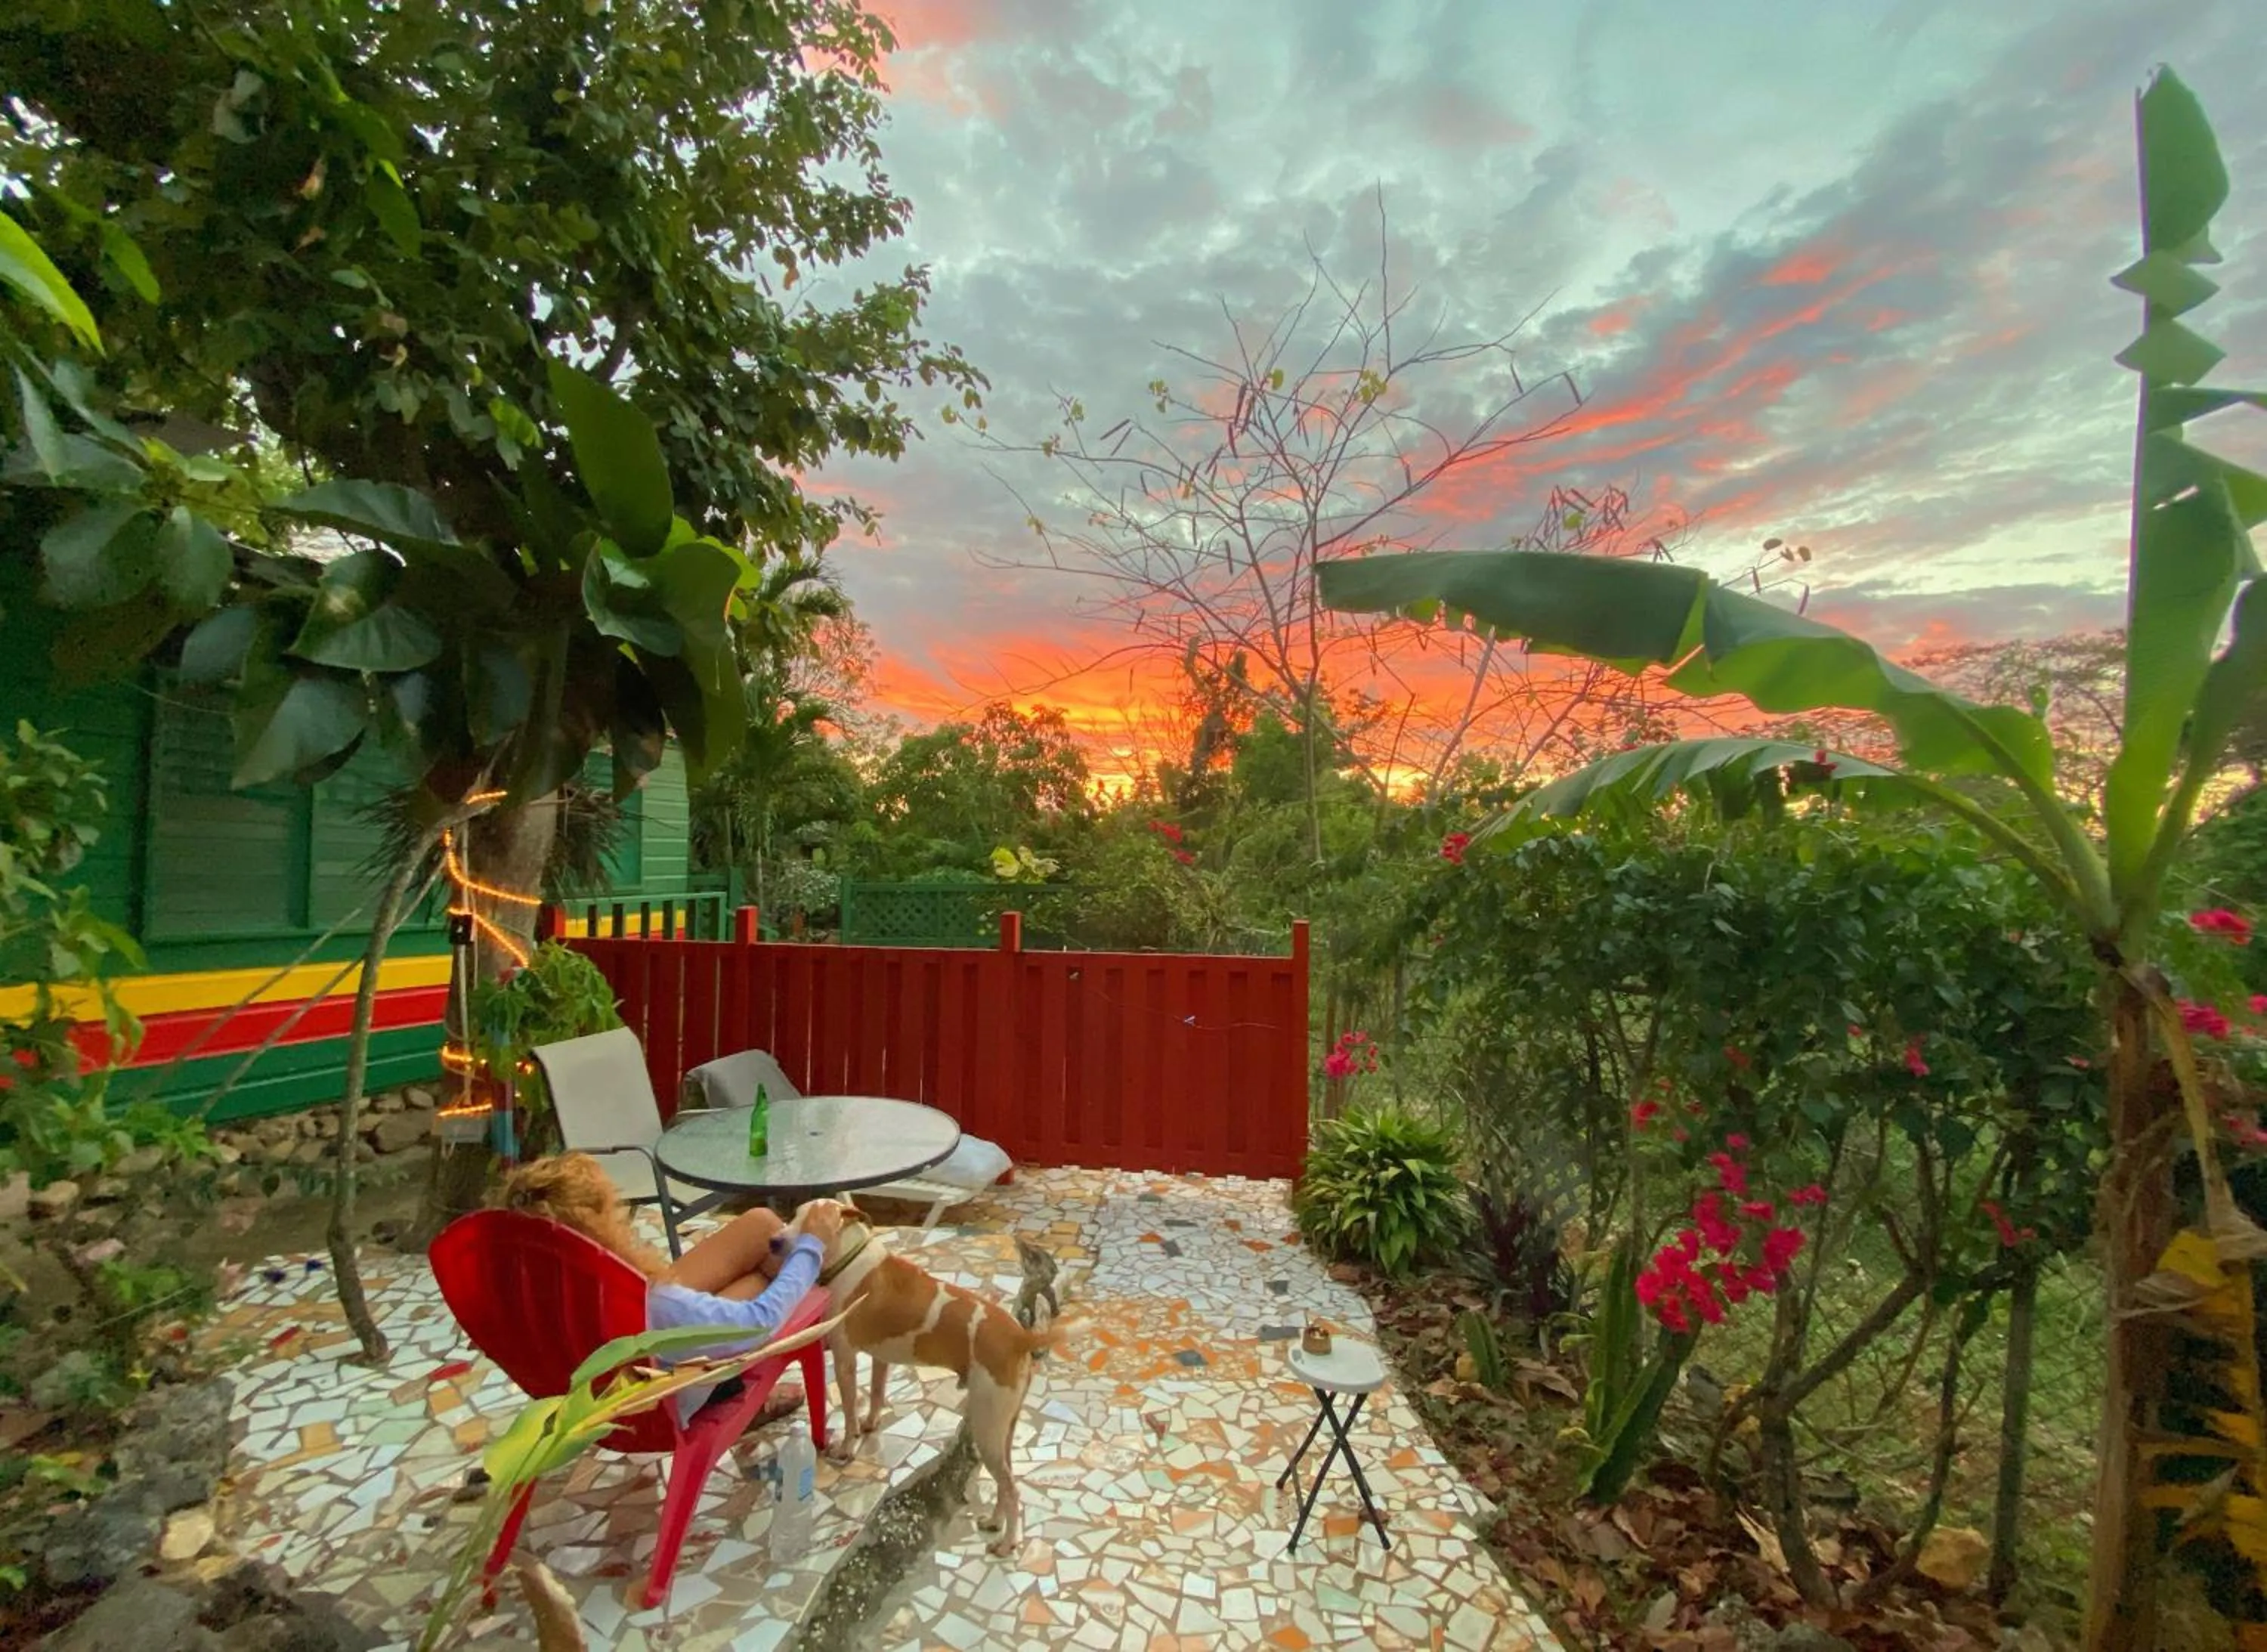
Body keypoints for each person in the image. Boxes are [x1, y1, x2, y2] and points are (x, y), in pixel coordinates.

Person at [496, 1152, 840, 1414]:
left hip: (609, 1356)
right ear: (596, 1228)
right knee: (770, 1280)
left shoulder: (528, 1289)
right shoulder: (656, 1305)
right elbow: (759, 1322)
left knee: (761, 1226)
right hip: (662, 1393)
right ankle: (740, 1390)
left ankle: (755, 1370)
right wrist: (812, 1246)